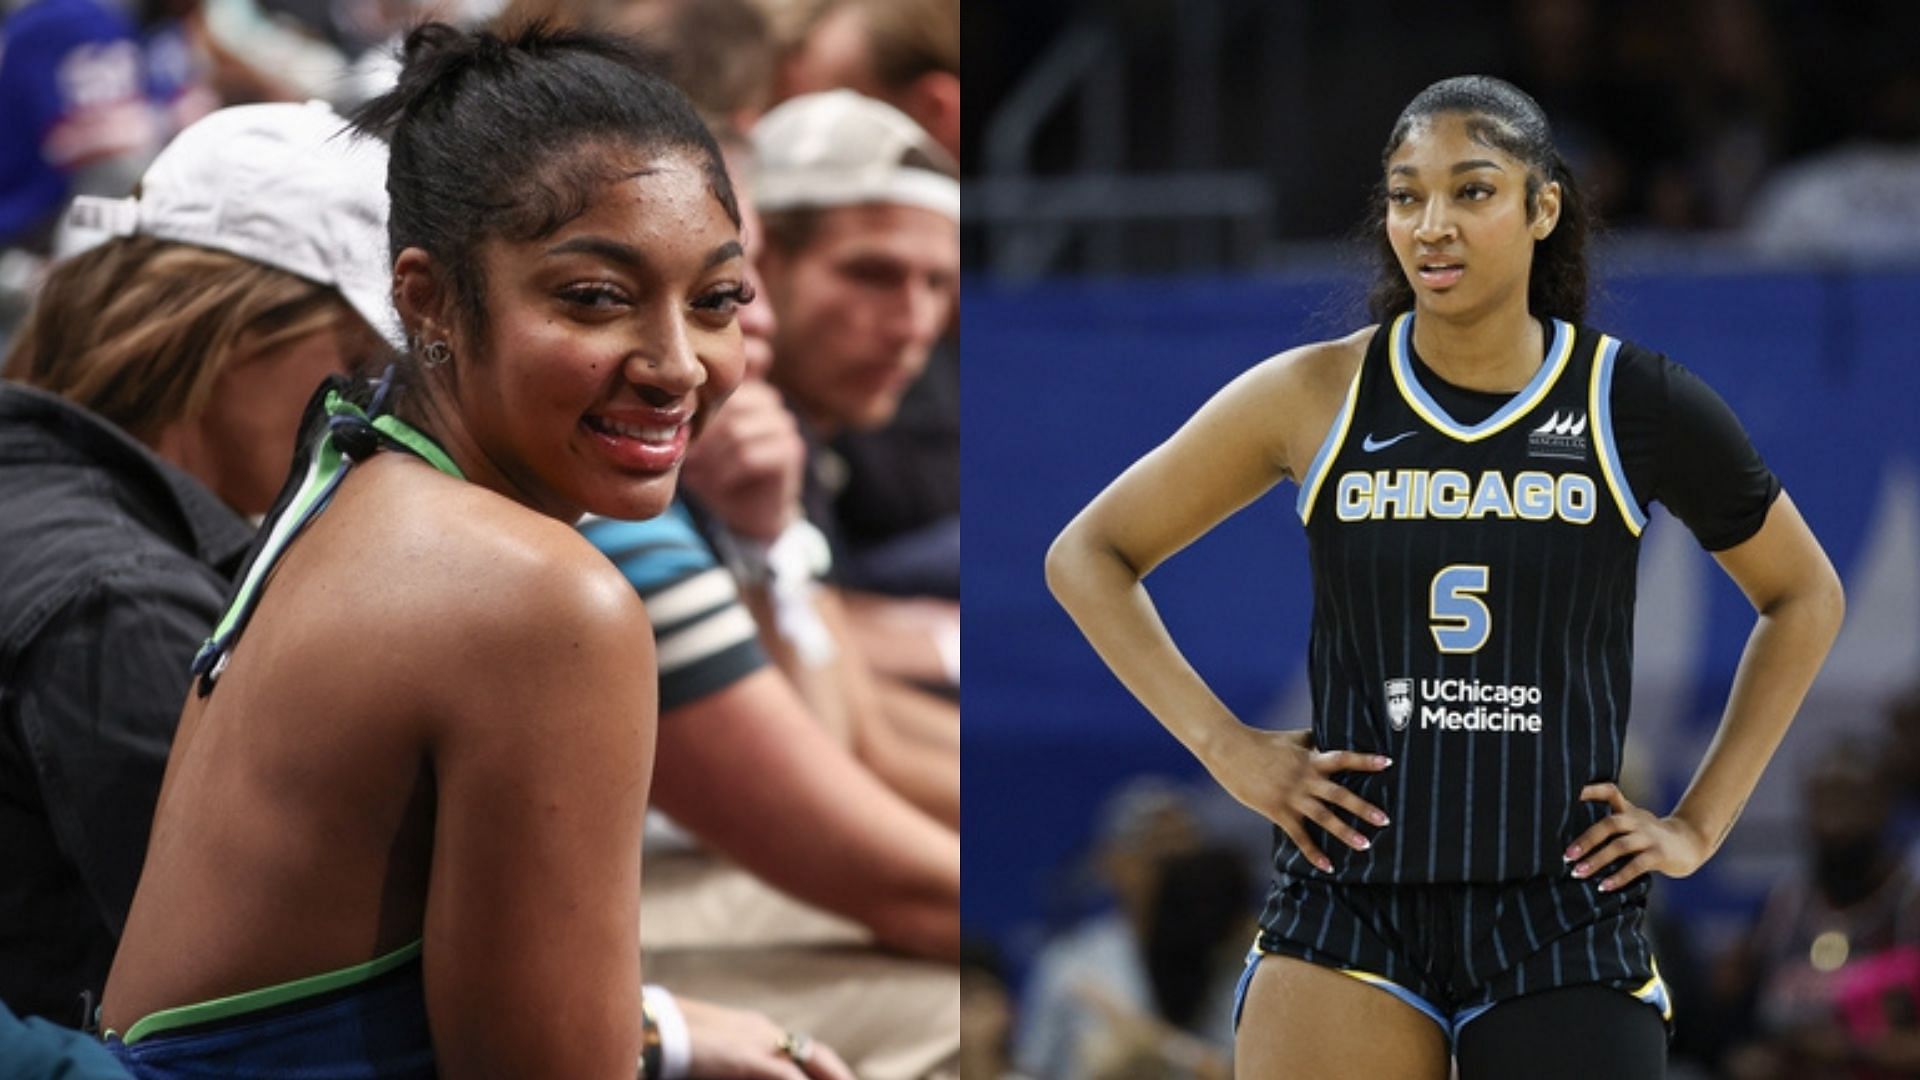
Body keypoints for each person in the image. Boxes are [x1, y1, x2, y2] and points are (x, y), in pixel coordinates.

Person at [1046, 75, 1845, 1079]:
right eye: (1405, 194)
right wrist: (1227, 749)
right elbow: (1088, 554)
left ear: (1542, 206)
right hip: (1348, 902)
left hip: (1560, 908)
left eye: (1471, 191)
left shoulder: (1631, 402)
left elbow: (1803, 594)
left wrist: (1699, 823)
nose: (1432, 225)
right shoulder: (1316, 393)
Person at [89, 25, 848, 1079]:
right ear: (426, 297)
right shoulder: (543, 602)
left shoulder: (355, 465)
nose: (679, 366)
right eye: (596, 297)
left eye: (717, 300)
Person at [0, 97, 389, 1027]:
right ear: (232, 329)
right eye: (356, 358)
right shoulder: (120, 600)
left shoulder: (56, 505)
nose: (373, 408)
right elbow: (275, 991)